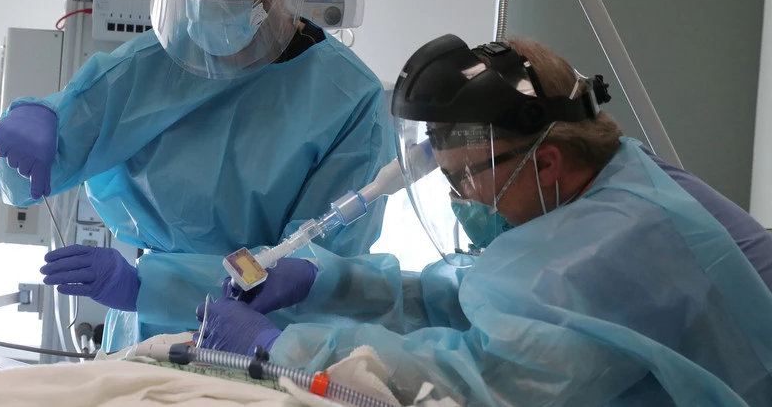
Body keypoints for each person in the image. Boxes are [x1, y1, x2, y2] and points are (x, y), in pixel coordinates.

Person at [196, 34, 772, 405]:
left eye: (466, 178)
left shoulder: (614, 244)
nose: (457, 199)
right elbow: (488, 301)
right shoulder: (610, 179)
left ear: (546, 162)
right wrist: (331, 284)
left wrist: (283, 351)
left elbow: (474, 383)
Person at [0, 0, 394, 352]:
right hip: (139, 340)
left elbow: (315, 271)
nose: (207, 1)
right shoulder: (149, 66)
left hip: (263, 347)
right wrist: (20, 138)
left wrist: (147, 287)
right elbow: (21, 180)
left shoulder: (349, 102)